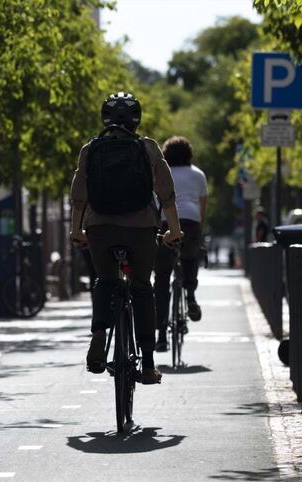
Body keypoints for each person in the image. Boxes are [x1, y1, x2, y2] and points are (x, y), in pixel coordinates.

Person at [70, 92, 184, 385]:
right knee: (142, 287)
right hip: (141, 229)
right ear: (137, 120)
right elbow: (167, 194)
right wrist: (173, 231)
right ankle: (147, 364)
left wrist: (76, 229)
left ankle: (98, 334)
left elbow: (78, 196)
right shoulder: (147, 148)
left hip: (99, 229)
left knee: (106, 282)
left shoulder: (90, 149)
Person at [154, 136, 207, 352]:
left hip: (165, 221)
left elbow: (154, 201)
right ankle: (191, 296)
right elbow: (202, 207)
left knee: (162, 276)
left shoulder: (160, 172)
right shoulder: (198, 174)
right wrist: (198, 233)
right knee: (190, 257)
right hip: (191, 220)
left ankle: (161, 336)